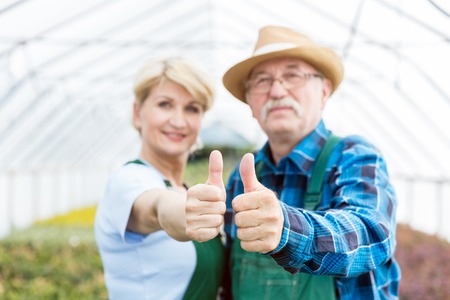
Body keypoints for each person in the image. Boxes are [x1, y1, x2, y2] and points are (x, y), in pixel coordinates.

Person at [185, 25, 401, 299]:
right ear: (250, 103)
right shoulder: (242, 177)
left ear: (323, 91)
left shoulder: (353, 156)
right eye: (262, 81)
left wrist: (286, 229)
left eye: (293, 75)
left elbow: (371, 234)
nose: (276, 91)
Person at [94, 56, 224, 300]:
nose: (178, 121)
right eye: (165, 104)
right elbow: (156, 208)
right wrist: (182, 211)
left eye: (192, 108)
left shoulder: (181, 187)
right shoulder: (128, 180)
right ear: (137, 113)